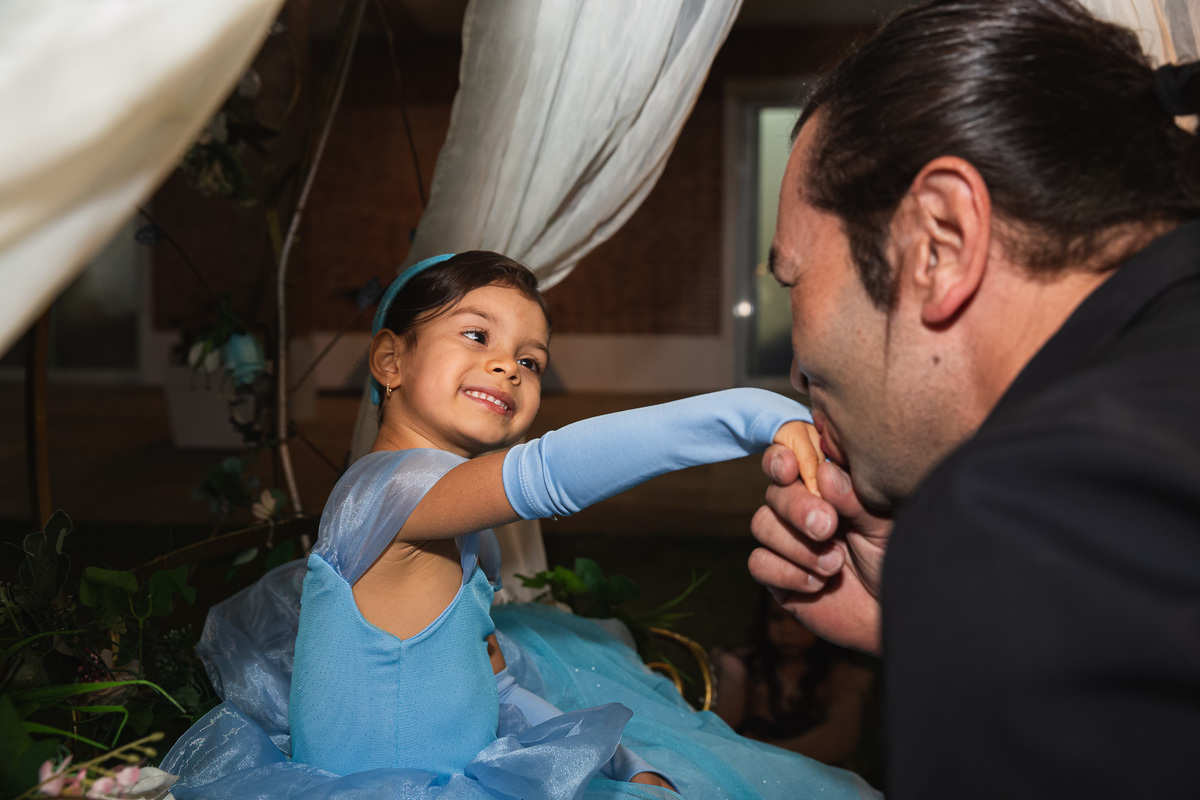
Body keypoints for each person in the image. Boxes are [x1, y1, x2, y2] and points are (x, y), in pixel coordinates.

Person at [162, 251, 881, 800]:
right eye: (476, 335)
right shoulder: (386, 493)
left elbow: (498, 689)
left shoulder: (447, 522)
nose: (506, 365)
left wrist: (627, 765)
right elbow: (550, 473)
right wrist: (752, 414)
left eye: (531, 361)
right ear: (390, 359)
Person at [745, 0, 1200, 796]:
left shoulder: (1024, 512)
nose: (797, 368)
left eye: (794, 281)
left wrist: (975, 569)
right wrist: (941, 622)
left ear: (941, 241)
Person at [711, 591, 875, 770]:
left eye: (799, 619)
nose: (786, 630)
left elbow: (840, 737)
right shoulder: (744, 665)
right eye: (776, 618)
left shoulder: (842, 676)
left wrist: (771, 751)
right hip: (751, 768)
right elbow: (723, 724)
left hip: (814, 774)